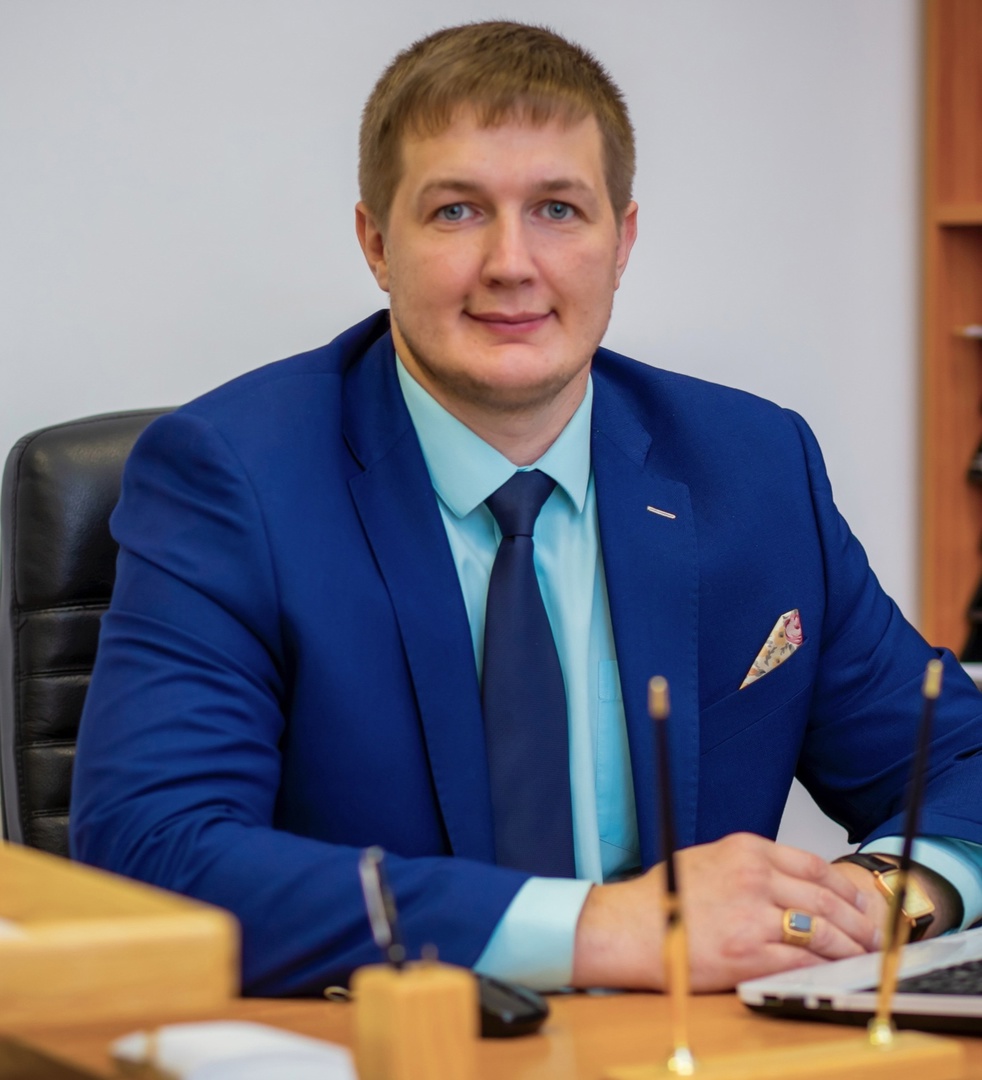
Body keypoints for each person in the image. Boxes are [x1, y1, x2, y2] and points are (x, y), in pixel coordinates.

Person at [71, 20, 982, 997]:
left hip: (691, 1053)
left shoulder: (752, 468)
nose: (511, 262)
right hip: (393, 1047)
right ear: (376, 243)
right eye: (457, 211)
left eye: (558, 209)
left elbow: (958, 759)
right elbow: (153, 856)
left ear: (622, 240)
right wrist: (602, 930)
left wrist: (877, 902)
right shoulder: (234, 481)